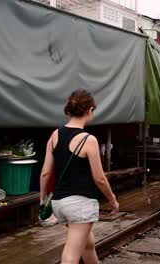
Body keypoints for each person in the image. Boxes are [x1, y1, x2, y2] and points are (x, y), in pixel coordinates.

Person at [40, 89, 119, 264]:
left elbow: (45, 172)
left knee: (87, 244)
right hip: (79, 204)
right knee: (71, 255)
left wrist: (42, 199)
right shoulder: (88, 140)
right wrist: (112, 199)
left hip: (59, 203)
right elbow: (99, 178)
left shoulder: (55, 135)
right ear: (90, 110)